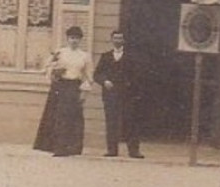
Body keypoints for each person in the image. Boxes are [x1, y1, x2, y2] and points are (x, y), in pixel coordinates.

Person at [34, 26, 93, 157]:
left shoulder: (84, 56)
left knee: (72, 117)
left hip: (74, 87)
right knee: (59, 116)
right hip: (60, 87)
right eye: (72, 38)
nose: (74, 41)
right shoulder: (60, 53)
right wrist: (54, 72)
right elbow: (45, 68)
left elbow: (89, 77)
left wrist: (85, 92)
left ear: (81, 40)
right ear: (67, 39)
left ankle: (72, 147)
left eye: (77, 38)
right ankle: (58, 147)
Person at [94, 29, 143, 159]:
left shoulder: (131, 57)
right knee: (111, 122)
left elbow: (137, 75)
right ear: (111, 40)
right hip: (110, 95)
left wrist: (129, 85)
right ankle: (112, 150)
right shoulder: (105, 56)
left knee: (130, 122)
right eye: (115, 38)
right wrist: (104, 81)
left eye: (120, 38)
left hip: (127, 95)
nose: (117, 41)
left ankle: (133, 151)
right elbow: (97, 74)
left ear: (124, 40)